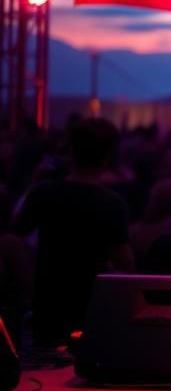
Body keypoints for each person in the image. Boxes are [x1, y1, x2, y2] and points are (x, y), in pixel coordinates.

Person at [13, 118, 134, 346]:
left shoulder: (44, 192)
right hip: (92, 306)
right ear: (108, 156)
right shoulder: (112, 203)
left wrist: (33, 182)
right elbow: (125, 263)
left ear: (71, 150)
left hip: (48, 303)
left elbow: (16, 229)